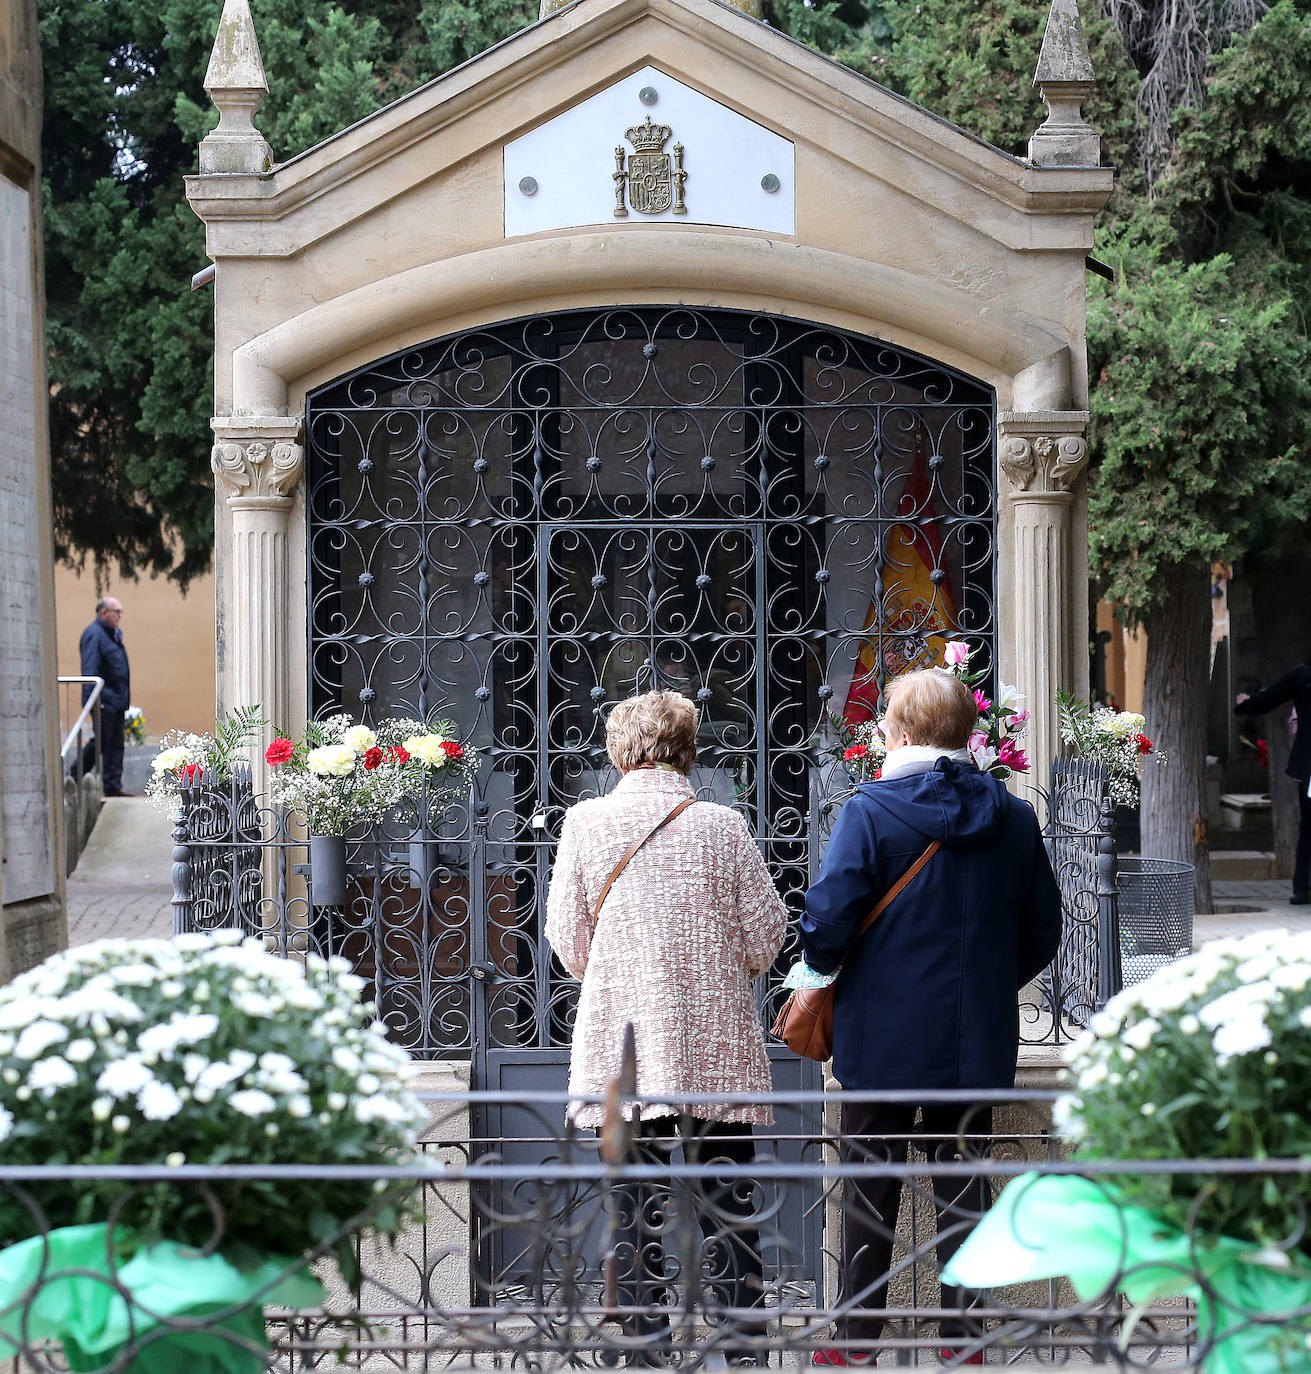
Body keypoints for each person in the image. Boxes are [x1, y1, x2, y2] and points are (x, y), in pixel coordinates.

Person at [797, 668, 1062, 1367]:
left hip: (879, 1035)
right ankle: (962, 1342)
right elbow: (1042, 929)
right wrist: (987, 986)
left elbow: (825, 920)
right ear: (967, 733)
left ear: (903, 733)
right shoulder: (1012, 816)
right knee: (965, 1187)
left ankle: (855, 1343)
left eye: (885, 720)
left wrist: (832, 972)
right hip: (974, 1037)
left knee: (868, 1183)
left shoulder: (869, 810)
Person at [545, 690, 787, 1365]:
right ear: (689, 749)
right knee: (727, 1194)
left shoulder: (585, 824)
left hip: (622, 1042)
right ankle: (742, 1336)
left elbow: (567, 941)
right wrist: (712, 965)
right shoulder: (722, 825)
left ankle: (644, 1335)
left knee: (631, 1192)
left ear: (618, 750)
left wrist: (620, 965)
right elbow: (767, 936)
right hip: (713, 1042)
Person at [1236, 655, 1311, 905]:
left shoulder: (1303, 676)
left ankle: (1302, 887)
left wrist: (1246, 704)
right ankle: (1302, 887)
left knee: (1309, 828)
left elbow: (1268, 699)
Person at [79, 596, 132, 797]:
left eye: (121, 612)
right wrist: (94, 699)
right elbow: (90, 669)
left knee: (116, 742)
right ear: (103, 613)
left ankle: (112, 784)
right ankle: (74, 776)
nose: (120, 616)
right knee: (101, 741)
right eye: (116, 612)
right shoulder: (94, 634)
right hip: (104, 699)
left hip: (118, 699)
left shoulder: (112, 634)